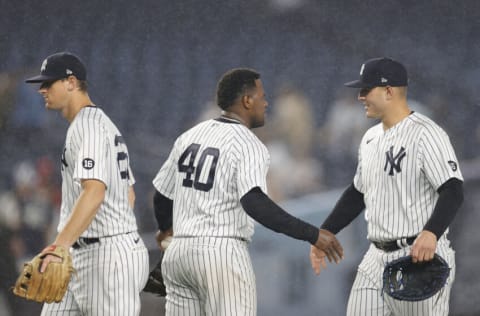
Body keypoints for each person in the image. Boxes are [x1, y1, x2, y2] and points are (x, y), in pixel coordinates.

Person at [152, 68, 343, 315]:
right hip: (220, 253)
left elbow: (162, 196)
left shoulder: (189, 137)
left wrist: (166, 230)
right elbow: (256, 205)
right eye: (261, 96)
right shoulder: (247, 143)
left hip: (180, 256)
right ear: (246, 101)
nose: (266, 102)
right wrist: (311, 233)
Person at [310, 57, 464, 316]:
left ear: (389, 91)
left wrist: (432, 232)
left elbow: (453, 189)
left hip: (419, 255)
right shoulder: (370, 138)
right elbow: (357, 193)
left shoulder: (427, 133)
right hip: (375, 256)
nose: (360, 97)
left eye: (366, 89)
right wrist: (325, 231)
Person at [25, 52, 149, 316]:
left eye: (49, 83)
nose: (42, 89)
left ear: (71, 82)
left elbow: (94, 192)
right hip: (90, 253)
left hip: (105, 258)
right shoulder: (99, 124)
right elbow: (128, 194)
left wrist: (58, 247)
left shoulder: (88, 126)